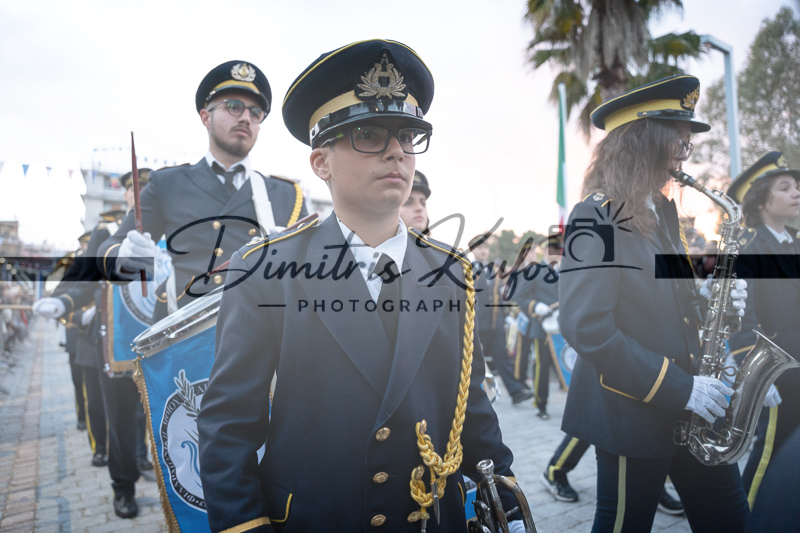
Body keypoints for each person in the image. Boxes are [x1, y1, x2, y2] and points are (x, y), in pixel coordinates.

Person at [198, 39, 524, 533]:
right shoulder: (265, 269)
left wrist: (509, 509)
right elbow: (228, 427)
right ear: (321, 162)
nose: (396, 151)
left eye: (407, 136)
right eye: (368, 134)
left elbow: (471, 409)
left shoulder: (451, 270)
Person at [559, 75, 750, 532]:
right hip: (635, 412)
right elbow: (586, 326)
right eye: (679, 141)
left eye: (687, 143)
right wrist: (680, 388)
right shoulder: (594, 214)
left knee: (732, 520)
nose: (686, 154)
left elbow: (666, 298)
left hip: (693, 407)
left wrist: (709, 298)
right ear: (641, 141)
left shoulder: (660, 210)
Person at [98, 60, 307, 318]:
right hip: (184, 326)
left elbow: (313, 275)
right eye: (234, 107)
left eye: (255, 113)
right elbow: (110, 247)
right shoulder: (168, 183)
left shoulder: (287, 195)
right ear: (206, 117)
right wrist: (124, 259)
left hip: (261, 327)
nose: (246, 118)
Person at [727, 151, 800, 510]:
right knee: (768, 452)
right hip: (777, 374)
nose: (796, 192)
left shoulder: (795, 242)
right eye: (785, 187)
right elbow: (741, 319)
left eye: (796, 186)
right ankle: (749, 518)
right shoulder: (748, 247)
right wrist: (757, 374)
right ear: (760, 200)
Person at [470, 233, 533, 405]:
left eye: (485, 247)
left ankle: (516, 392)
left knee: (503, 359)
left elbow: (500, 295)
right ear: (473, 250)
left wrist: (506, 315)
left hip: (495, 323)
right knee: (475, 362)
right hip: (478, 324)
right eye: (479, 248)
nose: (483, 251)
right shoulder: (468, 269)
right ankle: (473, 396)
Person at [516, 233, 563, 419]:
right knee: (542, 367)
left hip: (562, 327)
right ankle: (540, 404)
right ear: (544, 250)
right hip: (542, 326)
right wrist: (535, 306)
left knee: (567, 363)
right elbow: (520, 297)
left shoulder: (563, 271)